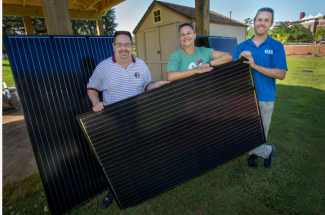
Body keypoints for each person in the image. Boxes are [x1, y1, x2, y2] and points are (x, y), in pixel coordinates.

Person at [87, 31, 169, 208]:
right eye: (119, 44)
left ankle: (142, 182)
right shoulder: (103, 67)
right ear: (113, 46)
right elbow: (92, 87)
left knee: (140, 149)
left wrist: (155, 85)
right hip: (114, 119)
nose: (123, 48)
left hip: (139, 115)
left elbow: (147, 85)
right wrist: (96, 102)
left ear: (132, 46)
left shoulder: (140, 64)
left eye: (127, 44)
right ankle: (116, 187)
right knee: (118, 155)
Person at [233, 7, 288, 169]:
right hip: (244, 98)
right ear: (254, 21)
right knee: (244, 133)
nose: (262, 23)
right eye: (259, 19)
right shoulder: (242, 46)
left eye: (266, 20)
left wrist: (254, 65)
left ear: (271, 24)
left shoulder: (276, 46)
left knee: (259, 132)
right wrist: (239, 62)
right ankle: (268, 151)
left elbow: (281, 74)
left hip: (265, 97)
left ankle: (253, 156)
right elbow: (232, 74)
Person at [166, 22, 232, 82]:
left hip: (206, 91)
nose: (186, 37)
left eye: (188, 33)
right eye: (182, 35)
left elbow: (228, 57)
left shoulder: (204, 51)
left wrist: (207, 64)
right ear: (179, 38)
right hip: (187, 93)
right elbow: (170, 77)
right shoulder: (175, 56)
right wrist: (195, 70)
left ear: (194, 35)